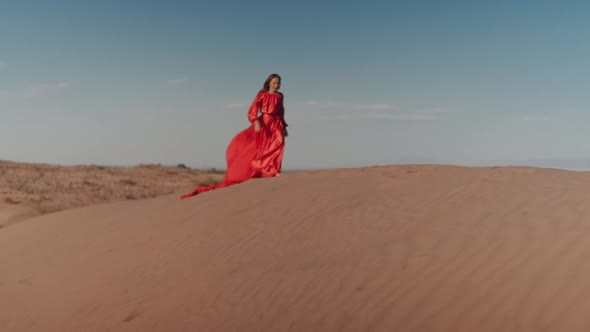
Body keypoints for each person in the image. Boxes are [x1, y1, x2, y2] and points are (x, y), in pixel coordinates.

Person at [181, 73, 288, 198]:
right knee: (262, 147)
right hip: (264, 121)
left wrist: (284, 126)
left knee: (279, 143)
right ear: (269, 83)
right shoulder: (262, 94)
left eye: (278, 83)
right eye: (274, 83)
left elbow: (281, 111)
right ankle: (264, 169)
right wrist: (255, 121)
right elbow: (253, 109)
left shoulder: (280, 96)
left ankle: (274, 169)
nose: (276, 85)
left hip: (276, 123)